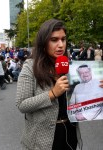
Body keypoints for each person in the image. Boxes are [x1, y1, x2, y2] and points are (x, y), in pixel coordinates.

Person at [16, 19, 82, 150]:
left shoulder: (70, 65)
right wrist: (52, 94)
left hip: (70, 132)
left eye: (63, 39)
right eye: (54, 40)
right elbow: (22, 104)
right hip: (42, 139)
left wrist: (96, 89)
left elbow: (78, 99)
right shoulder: (30, 66)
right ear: (43, 42)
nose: (60, 45)